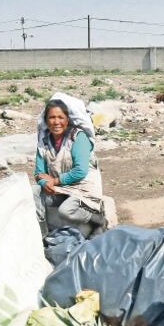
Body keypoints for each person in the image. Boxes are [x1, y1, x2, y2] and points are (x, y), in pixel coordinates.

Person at [33, 92, 107, 239]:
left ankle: (98, 219)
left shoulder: (78, 137)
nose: (56, 122)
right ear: (46, 120)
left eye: (60, 117)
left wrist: (54, 180)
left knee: (66, 211)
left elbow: (80, 171)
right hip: (62, 186)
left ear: (67, 120)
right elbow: (39, 172)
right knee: (34, 192)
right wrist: (44, 182)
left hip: (83, 187)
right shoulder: (44, 142)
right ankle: (43, 235)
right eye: (52, 117)